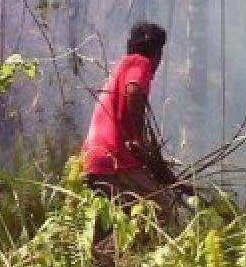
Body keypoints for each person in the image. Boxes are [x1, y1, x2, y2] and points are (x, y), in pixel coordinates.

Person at [81, 21, 189, 250]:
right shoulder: (140, 63)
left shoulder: (121, 67)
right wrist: (138, 138)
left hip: (95, 159)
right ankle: (107, 261)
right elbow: (133, 89)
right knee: (162, 209)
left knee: (118, 219)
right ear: (156, 53)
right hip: (114, 158)